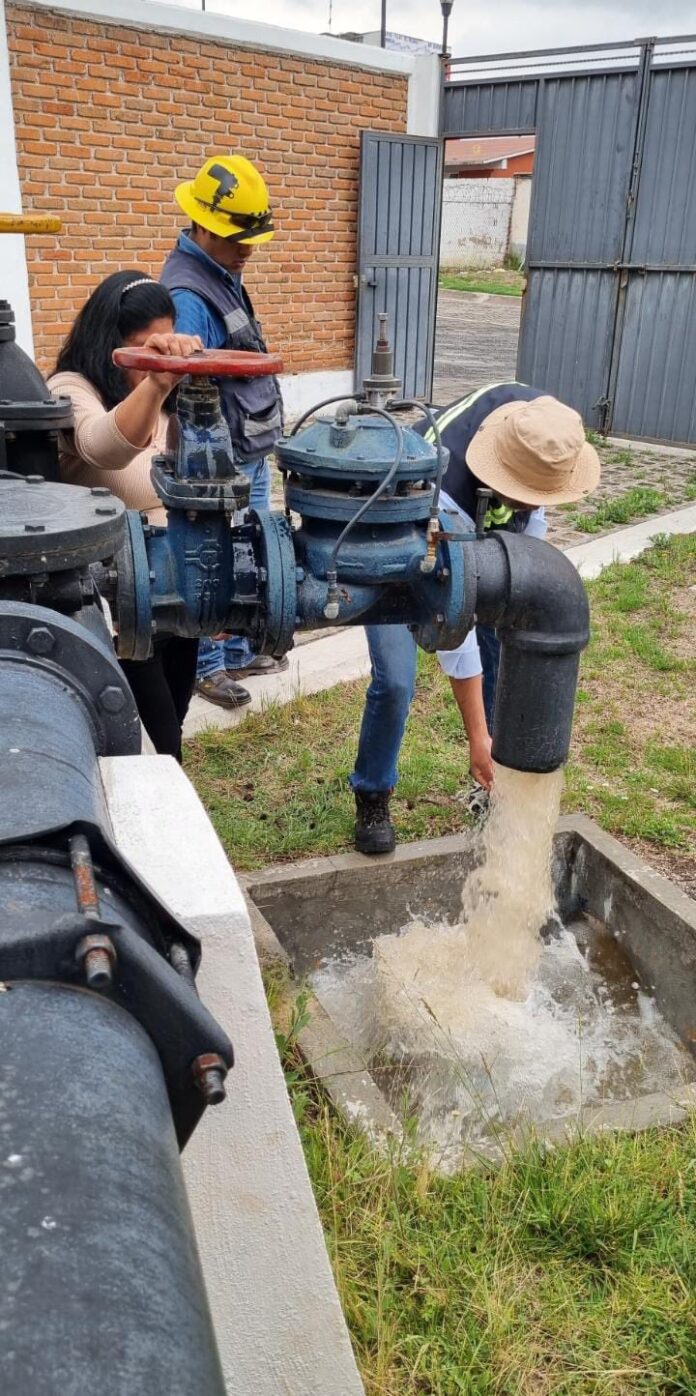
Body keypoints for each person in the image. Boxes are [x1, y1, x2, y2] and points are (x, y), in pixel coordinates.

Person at [350, 386, 601, 855]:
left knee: (506, 658)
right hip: (391, 537)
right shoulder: (444, 489)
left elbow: (532, 533)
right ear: (498, 466)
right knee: (396, 681)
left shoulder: (541, 429)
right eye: (523, 494)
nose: (531, 503)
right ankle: (373, 793)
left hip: (471, 540)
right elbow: (452, 630)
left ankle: (496, 793)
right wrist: (477, 736)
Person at [49, 270, 203, 762]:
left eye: (162, 348)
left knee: (173, 718)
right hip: (115, 603)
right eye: (141, 350)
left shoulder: (163, 400)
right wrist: (157, 382)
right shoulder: (70, 390)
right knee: (160, 743)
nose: (151, 363)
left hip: (171, 595)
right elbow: (102, 448)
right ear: (107, 342)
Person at [161, 153, 287, 711]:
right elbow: (187, 393)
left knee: (247, 549)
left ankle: (236, 647)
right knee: (213, 556)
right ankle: (208, 667)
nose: (249, 248)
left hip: (248, 445)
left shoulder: (221, 272)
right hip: (221, 457)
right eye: (239, 237)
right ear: (205, 224)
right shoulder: (188, 295)